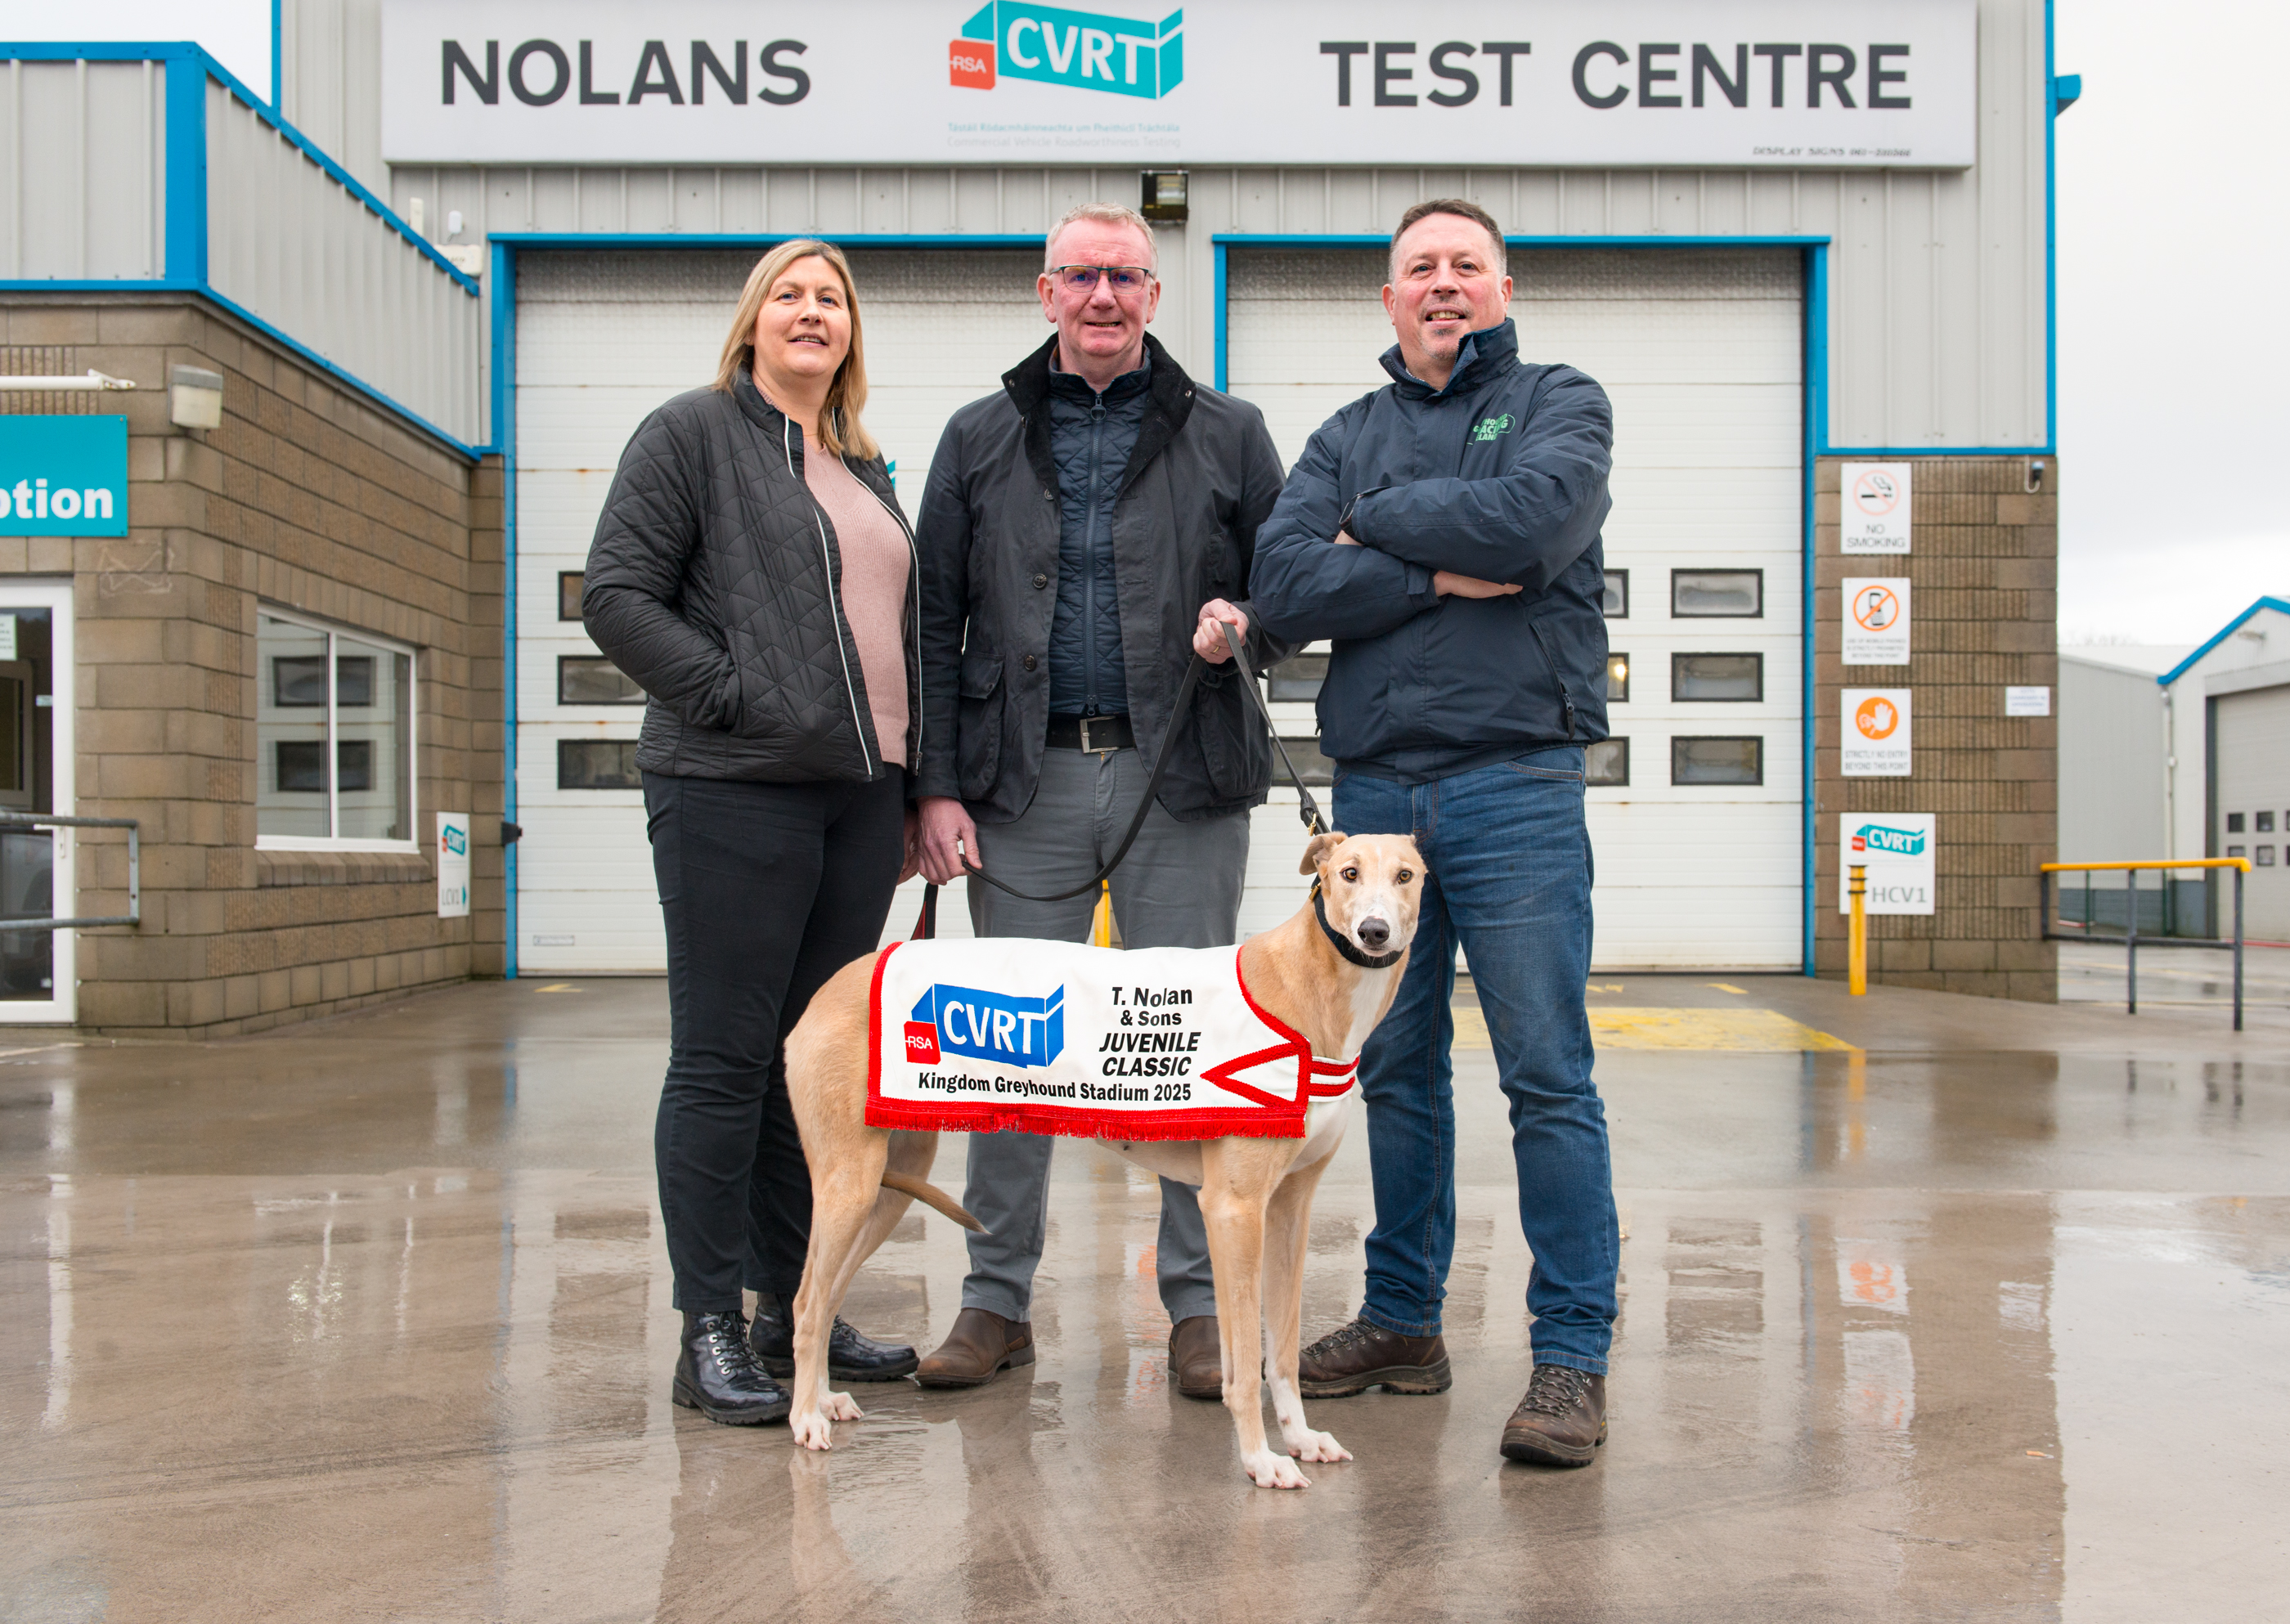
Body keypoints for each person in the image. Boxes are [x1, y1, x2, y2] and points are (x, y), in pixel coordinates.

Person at [1248, 199, 1621, 1467]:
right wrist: (1425, 562)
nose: (1444, 284)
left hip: (1516, 781)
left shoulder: (1564, 401)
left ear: (1504, 285)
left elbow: (1531, 525)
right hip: (1376, 797)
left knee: (1546, 1072)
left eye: (1467, 265)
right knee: (1392, 1070)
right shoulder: (1343, 432)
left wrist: (1377, 520)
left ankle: (1570, 1353)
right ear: (1389, 295)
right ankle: (1404, 1318)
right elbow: (1285, 585)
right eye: (1421, 268)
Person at [910, 202, 1289, 1397]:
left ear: (1155, 296)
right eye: (1080, 276)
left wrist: (1247, 620)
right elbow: (931, 618)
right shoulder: (979, 436)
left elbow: (1289, 578)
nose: (1103, 297)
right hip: (1018, 779)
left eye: (1125, 276)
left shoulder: (1228, 432)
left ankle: (1194, 1307)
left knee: (1179, 1046)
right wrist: (933, 786)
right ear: (1044, 292)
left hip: (1180, 772)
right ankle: (993, 1299)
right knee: (1011, 1048)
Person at [584, 240, 924, 1425]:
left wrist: (915, 781)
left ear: (851, 334)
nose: (812, 312)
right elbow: (614, 595)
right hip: (733, 785)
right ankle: (709, 1326)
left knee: (813, 1065)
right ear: (752, 320)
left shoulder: (864, 464)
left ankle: (797, 1313)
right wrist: (734, 697)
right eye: (790, 293)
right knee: (727, 1058)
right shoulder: (693, 434)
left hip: (858, 794)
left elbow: (895, 638)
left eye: (832, 298)